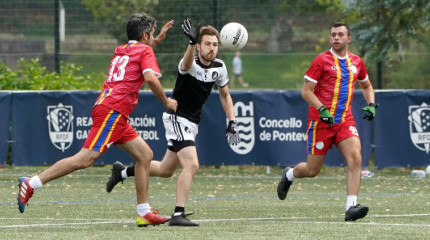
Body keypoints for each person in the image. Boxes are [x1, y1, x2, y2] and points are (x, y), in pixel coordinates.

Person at [17, 13, 178, 227]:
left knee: (145, 155)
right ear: (146, 35)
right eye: (151, 35)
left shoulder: (121, 49)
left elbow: (139, 55)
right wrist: (167, 102)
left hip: (111, 110)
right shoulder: (144, 50)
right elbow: (149, 78)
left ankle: (143, 212)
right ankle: (31, 183)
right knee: (85, 159)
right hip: (113, 110)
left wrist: (154, 42)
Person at [105, 19, 240, 227]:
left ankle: (122, 172)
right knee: (192, 164)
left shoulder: (220, 68)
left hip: (192, 122)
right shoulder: (190, 62)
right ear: (199, 46)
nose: (211, 48)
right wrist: (191, 44)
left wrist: (232, 122)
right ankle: (178, 213)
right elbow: (186, 65)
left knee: (166, 170)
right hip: (177, 117)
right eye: (207, 44)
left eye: (215, 45)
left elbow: (225, 96)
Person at [277, 22, 377, 221]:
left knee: (355, 157)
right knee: (312, 170)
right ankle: (289, 174)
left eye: (340, 34)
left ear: (348, 39)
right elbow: (306, 92)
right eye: (333, 35)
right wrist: (322, 109)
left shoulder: (357, 62)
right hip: (320, 122)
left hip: (344, 121)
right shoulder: (321, 61)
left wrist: (372, 103)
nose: (336, 38)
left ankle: (351, 208)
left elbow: (366, 86)